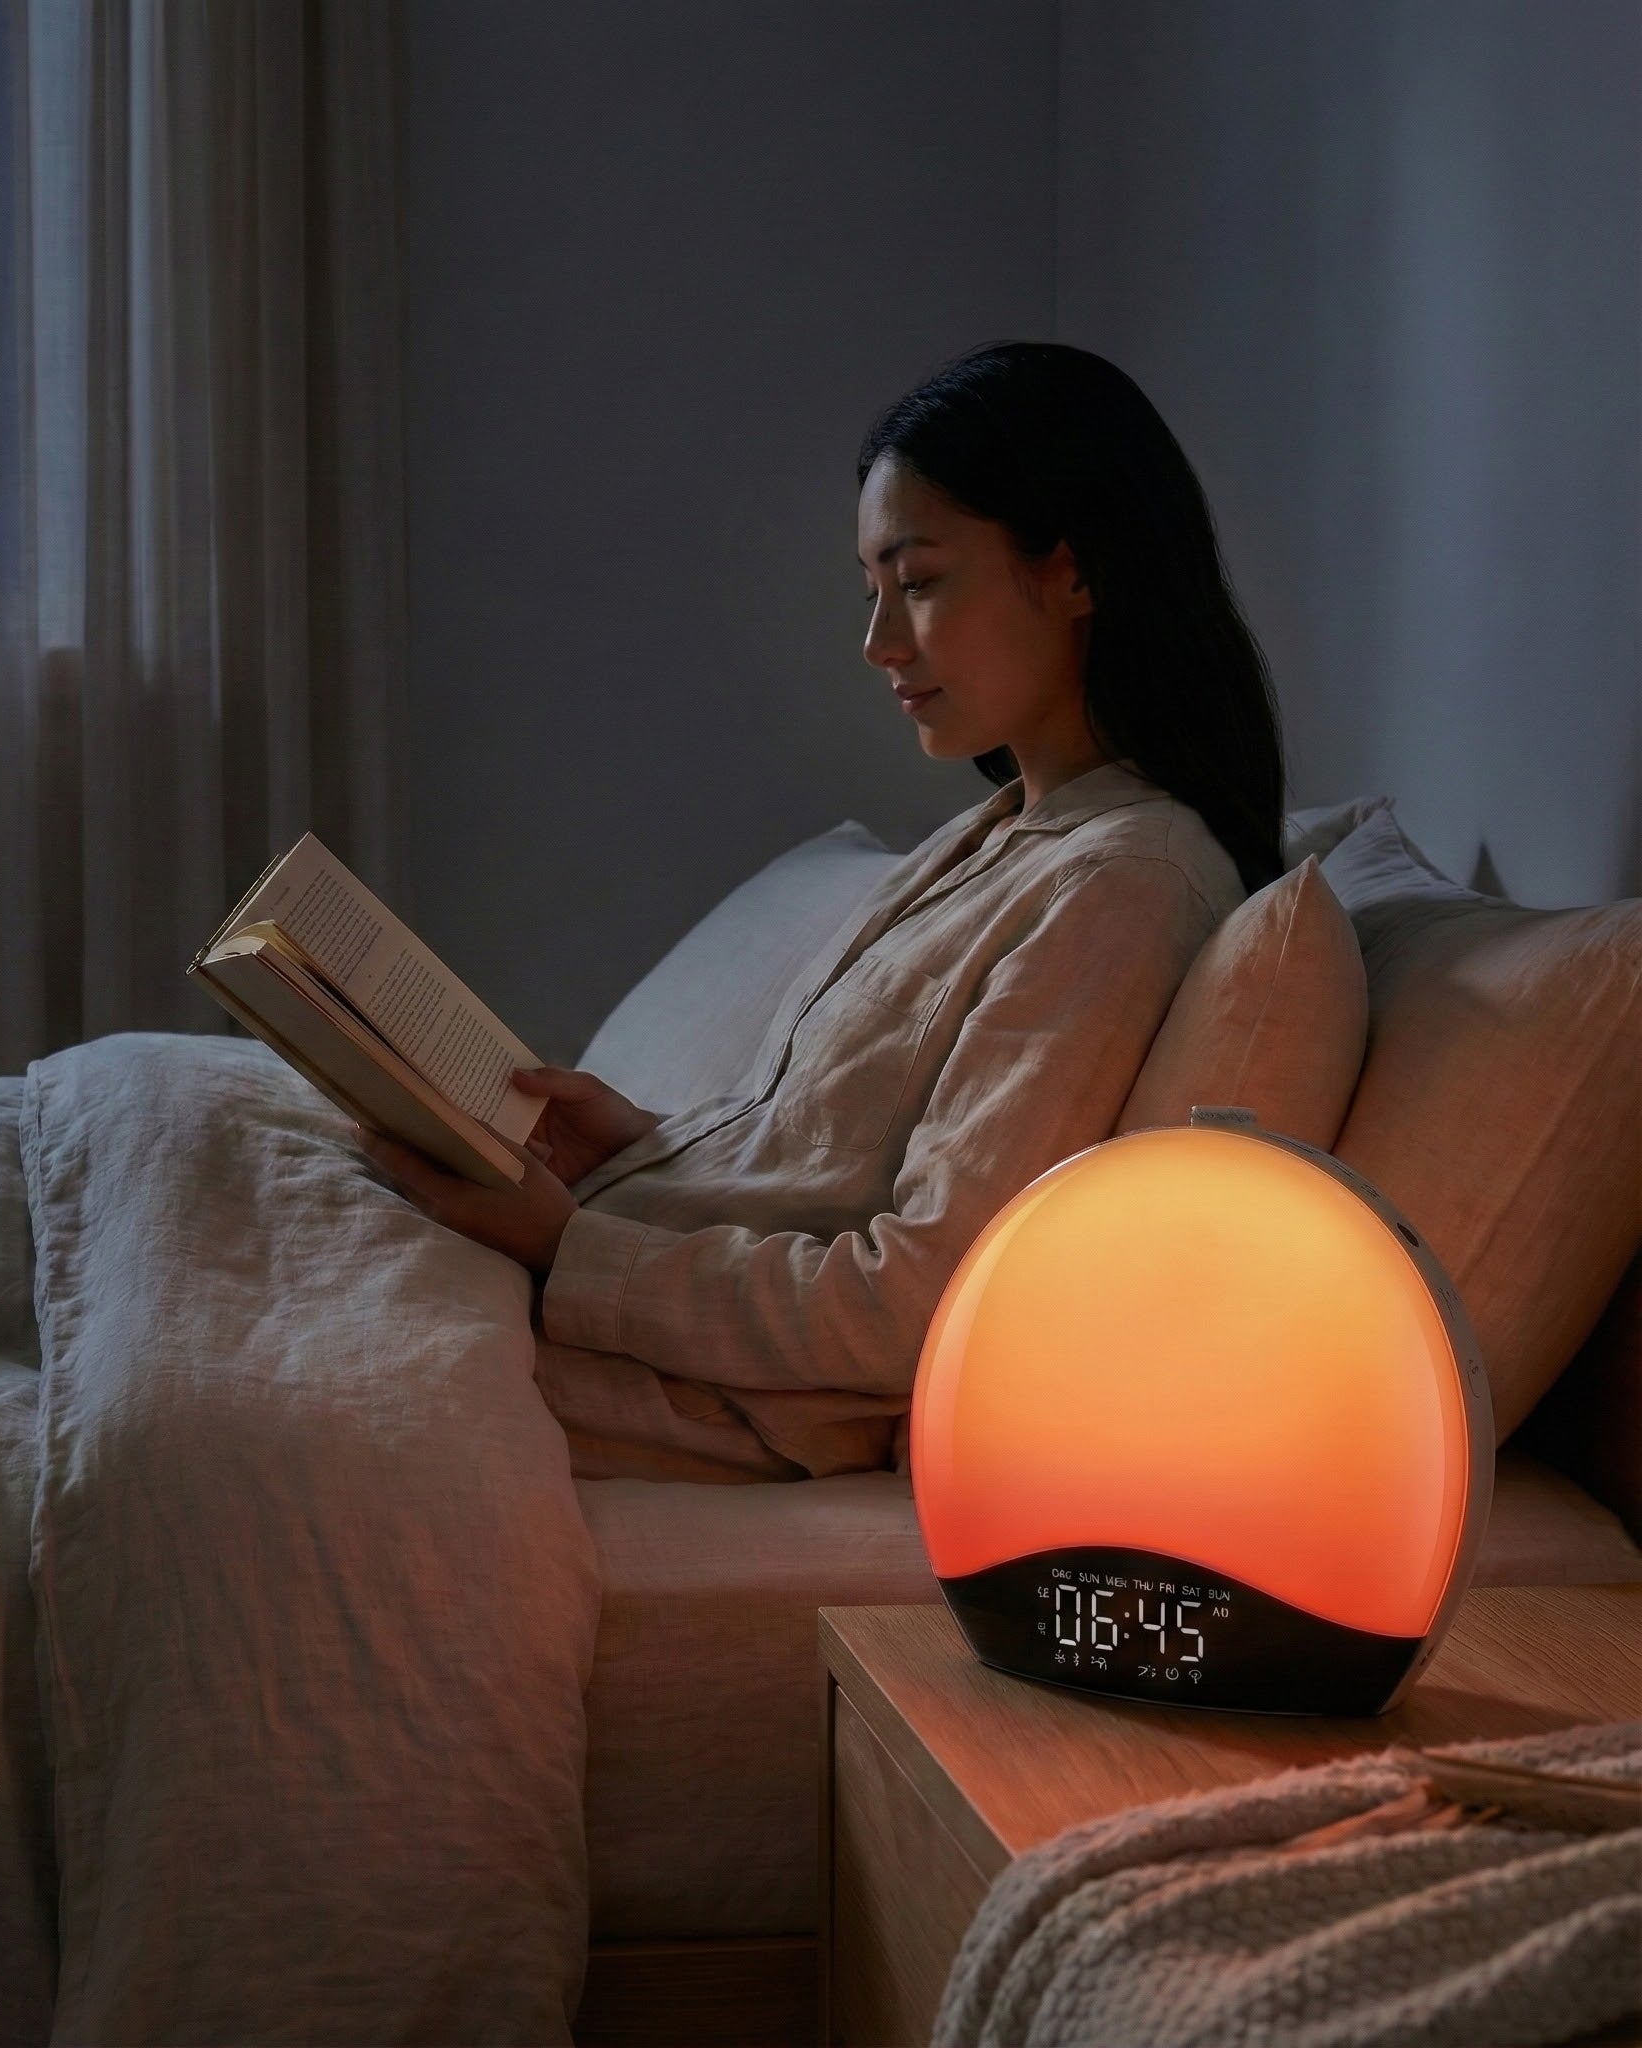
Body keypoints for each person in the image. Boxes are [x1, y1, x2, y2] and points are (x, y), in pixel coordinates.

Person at [353, 340, 1287, 1482]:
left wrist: (570, 1251)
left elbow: (918, 1298)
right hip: (638, 1289)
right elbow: (827, 1163)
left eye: (922, 579)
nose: (877, 643)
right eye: (871, 591)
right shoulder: (999, 835)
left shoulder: (1124, 885)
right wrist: (647, 1139)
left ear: (1074, 571)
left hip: (725, 1391)